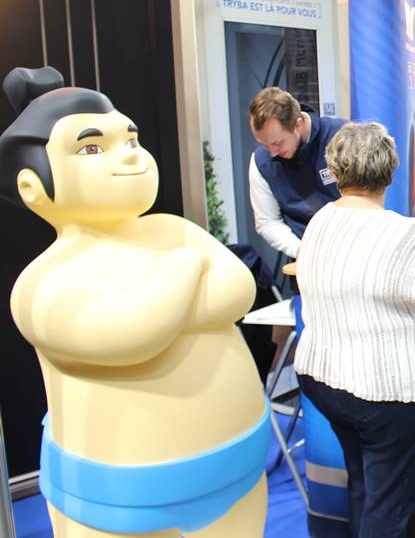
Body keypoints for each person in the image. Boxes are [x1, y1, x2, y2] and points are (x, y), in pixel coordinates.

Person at [0, 67, 269, 536]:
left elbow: (237, 290)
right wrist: (184, 270)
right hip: (119, 503)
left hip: (238, 472)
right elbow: (127, 332)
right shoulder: (42, 281)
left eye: (130, 139)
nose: (129, 155)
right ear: (32, 185)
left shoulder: (171, 228)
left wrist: (165, 304)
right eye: (91, 148)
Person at [295, 121, 415, 538]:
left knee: (364, 480)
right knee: (389, 504)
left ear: (336, 171)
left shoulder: (318, 222)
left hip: (325, 381)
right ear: (390, 171)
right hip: (387, 393)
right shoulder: (408, 234)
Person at [248, 87, 346, 259]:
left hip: (354, 251)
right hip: (306, 259)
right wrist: (301, 250)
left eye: (277, 143)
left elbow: (370, 196)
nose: (273, 153)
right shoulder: (261, 162)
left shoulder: (342, 138)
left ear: (298, 124)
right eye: (265, 145)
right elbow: (267, 221)